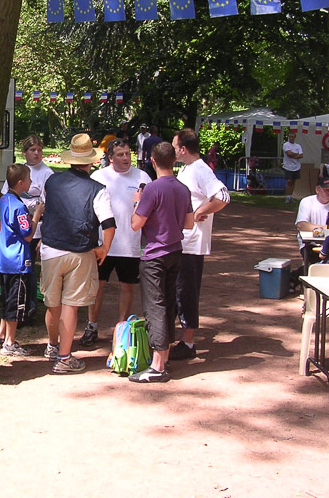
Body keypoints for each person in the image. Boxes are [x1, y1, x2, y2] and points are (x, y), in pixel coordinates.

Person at [40, 134, 115, 374]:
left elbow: (45, 206)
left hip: (50, 249)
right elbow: (109, 224)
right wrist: (105, 249)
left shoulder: (52, 182)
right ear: (91, 161)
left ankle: (52, 346)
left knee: (52, 305)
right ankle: (64, 357)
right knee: (70, 305)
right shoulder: (97, 189)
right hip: (81, 252)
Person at [129, 141, 193, 383]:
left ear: (152, 161)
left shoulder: (153, 190)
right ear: (174, 161)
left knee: (155, 307)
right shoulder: (183, 189)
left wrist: (137, 202)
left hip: (154, 254)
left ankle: (157, 366)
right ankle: (162, 359)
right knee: (168, 305)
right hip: (176, 252)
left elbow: (136, 224)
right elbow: (189, 224)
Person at [79, 138, 151, 347]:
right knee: (97, 287)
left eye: (127, 154)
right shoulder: (98, 177)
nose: (125, 158)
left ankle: (122, 330)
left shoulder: (142, 177)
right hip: (103, 244)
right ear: (110, 158)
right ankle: (92, 326)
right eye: (120, 154)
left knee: (127, 287)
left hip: (130, 245)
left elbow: (150, 206)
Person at [171, 128, 230, 360]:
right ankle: (177, 336)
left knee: (186, 291)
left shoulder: (200, 170)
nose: (174, 150)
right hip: (182, 241)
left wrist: (200, 211)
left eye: (175, 147)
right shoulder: (187, 169)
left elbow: (223, 196)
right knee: (177, 290)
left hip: (192, 244)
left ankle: (187, 342)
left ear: (183, 149)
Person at [0, 134, 53, 343]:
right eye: (32, 150)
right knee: (16, 286)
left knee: (24, 280)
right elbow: (26, 233)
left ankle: (23, 313)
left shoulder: (47, 173)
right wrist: (34, 215)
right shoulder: (15, 200)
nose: (37, 153)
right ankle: (11, 330)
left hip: (30, 234)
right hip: (20, 240)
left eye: (39, 149)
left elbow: (50, 203)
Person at [0, 164, 44, 356]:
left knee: (6, 299)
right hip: (16, 262)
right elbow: (28, 235)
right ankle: (10, 343)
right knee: (16, 302)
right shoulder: (19, 207)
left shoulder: (3, 200)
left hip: (2, 259)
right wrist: (36, 215)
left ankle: (0, 336)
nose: (31, 182)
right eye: (29, 179)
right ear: (20, 182)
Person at [295, 177, 329, 266]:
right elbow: (301, 225)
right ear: (317, 190)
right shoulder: (307, 202)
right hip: (311, 244)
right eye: (326, 190)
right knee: (321, 265)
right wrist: (326, 230)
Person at [282, 130, 303, 203]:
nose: (291, 138)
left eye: (292, 137)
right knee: (289, 181)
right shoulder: (286, 145)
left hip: (296, 166)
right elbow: (288, 154)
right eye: (290, 137)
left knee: (293, 181)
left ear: (295, 137)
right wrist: (296, 155)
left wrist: (293, 155)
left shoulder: (298, 146)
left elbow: (301, 155)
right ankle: (287, 196)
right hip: (288, 166)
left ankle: (291, 196)